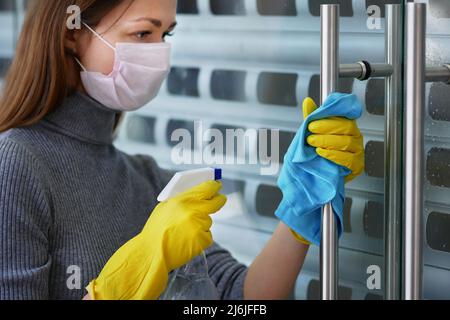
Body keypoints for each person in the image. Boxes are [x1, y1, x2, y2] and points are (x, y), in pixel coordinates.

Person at [0, 0, 364, 300]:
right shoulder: (15, 163)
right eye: (143, 33)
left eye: (165, 34)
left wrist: (301, 205)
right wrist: (113, 291)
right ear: (71, 32)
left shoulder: (145, 178)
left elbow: (242, 298)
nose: (158, 54)